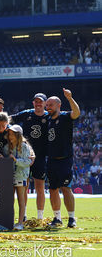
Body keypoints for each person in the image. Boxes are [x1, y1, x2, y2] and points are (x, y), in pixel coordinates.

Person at [10, 93, 49, 220]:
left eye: (40, 101)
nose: (38, 104)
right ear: (33, 103)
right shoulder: (27, 114)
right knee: (24, 186)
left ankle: (40, 217)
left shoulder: (48, 117)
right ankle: (24, 215)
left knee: (40, 187)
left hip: (40, 156)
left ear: (45, 103)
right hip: (25, 156)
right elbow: (9, 120)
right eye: (36, 101)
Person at [45, 89, 80, 228]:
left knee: (66, 188)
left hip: (64, 159)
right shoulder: (47, 120)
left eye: (51, 105)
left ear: (58, 105)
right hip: (51, 160)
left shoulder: (65, 117)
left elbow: (76, 113)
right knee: (53, 189)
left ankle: (71, 218)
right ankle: (57, 218)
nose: (48, 107)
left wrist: (70, 98)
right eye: (47, 105)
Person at [5, 125, 35, 230]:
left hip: (21, 176)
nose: (10, 136)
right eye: (9, 134)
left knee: (21, 200)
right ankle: (10, 222)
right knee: (10, 201)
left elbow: (28, 162)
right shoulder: (7, 147)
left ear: (18, 135)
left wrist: (15, 160)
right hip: (9, 176)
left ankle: (20, 223)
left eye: (12, 134)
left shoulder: (25, 147)